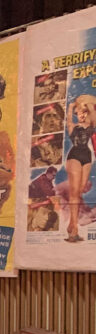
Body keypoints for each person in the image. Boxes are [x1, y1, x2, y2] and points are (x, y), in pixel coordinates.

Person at [64, 94, 96, 242]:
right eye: (79, 114)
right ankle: (73, 226)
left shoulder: (90, 126)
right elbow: (68, 120)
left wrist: (88, 106)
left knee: (81, 190)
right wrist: (71, 107)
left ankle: (72, 226)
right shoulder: (73, 126)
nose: (81, 116)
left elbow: (94, 118)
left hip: (87, 157)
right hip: (74, 156)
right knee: (74, 191)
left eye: (83, 113)